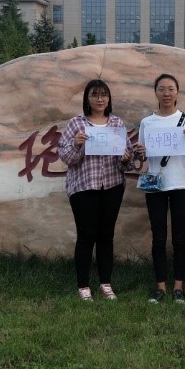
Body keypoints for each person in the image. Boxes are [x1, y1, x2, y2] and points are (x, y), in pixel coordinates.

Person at [58, 79, 136, 301]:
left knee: (106, 235)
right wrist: (76, 144)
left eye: (104, 95)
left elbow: (128, 160)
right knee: (86, 235)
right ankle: (83, 285)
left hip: (112, 185)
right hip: (83, 186)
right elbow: (65, 157)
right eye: (95, 95)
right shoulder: (76, 124)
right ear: (87, 99)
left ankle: (105, 283)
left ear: (109, 99)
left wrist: (126, 158)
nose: (100, 99)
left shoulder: (116, 123)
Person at [133, 73, 185, 303]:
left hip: (181, 183)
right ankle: (160, 286)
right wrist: (140, 153)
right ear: (156, 93)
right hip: (156, 185)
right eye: (162, 89)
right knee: (158, 237)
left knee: (180, 237)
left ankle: (179, 286)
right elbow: (142, 158)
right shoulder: (147, 122)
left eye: (171, 89)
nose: (166, 93)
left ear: (177, 92)